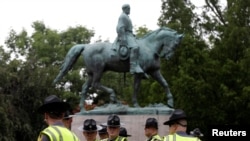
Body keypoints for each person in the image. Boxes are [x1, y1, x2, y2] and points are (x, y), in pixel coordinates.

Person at [116, 4, 144, 75]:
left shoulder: (126, 17)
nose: (129, 10)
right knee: (135, 47)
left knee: (140, 46)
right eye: (129, 9)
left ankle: (140, 67)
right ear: (125, 9)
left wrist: (133, 35)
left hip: (129, 35)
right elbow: (120, 28)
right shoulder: (123, 16)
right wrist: (123, 39)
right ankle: (133, 67)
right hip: (125, 36)